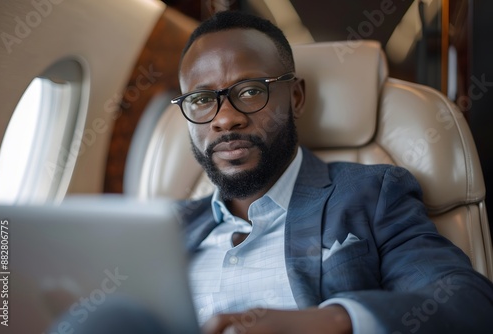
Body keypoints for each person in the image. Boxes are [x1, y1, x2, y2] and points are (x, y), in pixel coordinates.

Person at [172, 10, 493, 334]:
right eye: (201, 99)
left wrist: (333, 320)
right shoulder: (165, 226)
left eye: (251, 90)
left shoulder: (373, 194)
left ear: (296, 97)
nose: (225, 119)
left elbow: (467, 301)